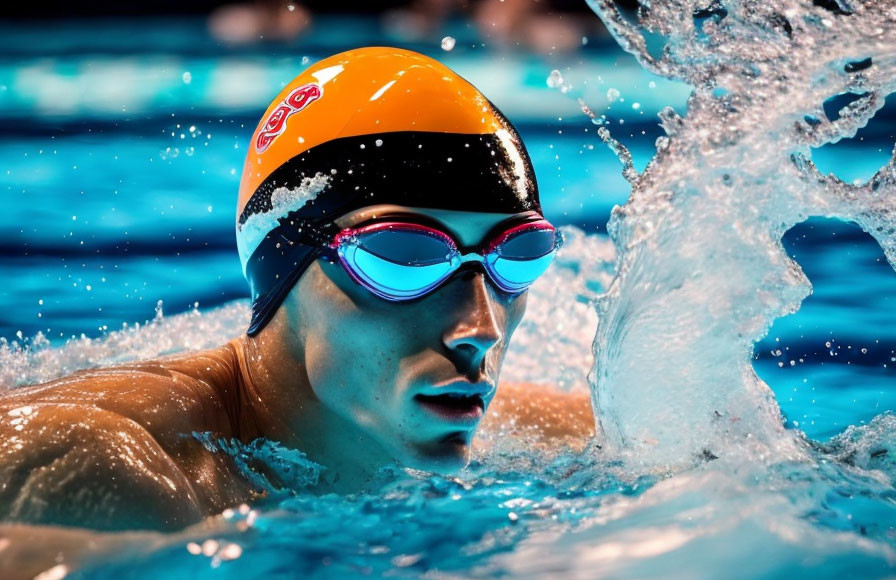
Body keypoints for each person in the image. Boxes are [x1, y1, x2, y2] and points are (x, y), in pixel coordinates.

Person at [0, 47, 593, 532]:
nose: (480, 328)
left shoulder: (498, 422)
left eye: (515, 260)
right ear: (284, 268)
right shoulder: (102, 474)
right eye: (405, 259)